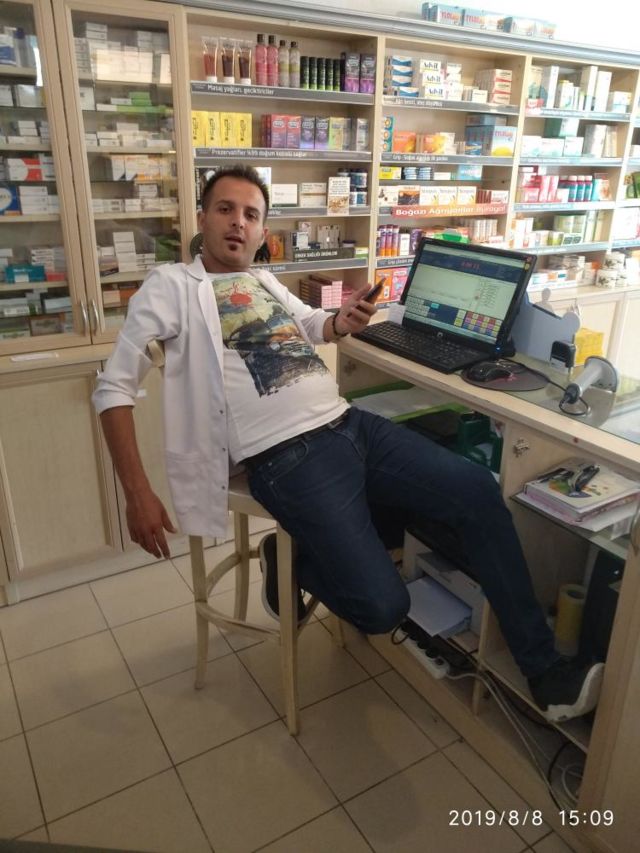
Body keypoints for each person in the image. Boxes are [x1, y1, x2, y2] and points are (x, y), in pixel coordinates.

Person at [93, 164, 603, 725]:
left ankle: (543, 671)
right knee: (383, 607)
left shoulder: (263, 281)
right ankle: (292, 561)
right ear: (202, 218)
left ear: (262, 232)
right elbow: (114, 388)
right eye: (225, 209)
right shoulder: (170, 287)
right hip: (286, 457)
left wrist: (342, 320)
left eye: (251, 215)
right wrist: (137, 493)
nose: (238, 222)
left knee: (477, 491)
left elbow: (311, 323)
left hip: (351, 425)